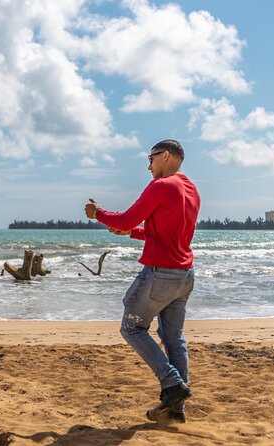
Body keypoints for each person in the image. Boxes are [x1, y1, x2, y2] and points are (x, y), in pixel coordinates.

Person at [84, 139, 200, 424]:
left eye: (151, 159)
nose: (148, 166)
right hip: (184, 275)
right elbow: (167, 234)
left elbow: (123, 219)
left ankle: (172, 384)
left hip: (160, 273)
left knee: (131, 327)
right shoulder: (192, 190)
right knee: (174, 338)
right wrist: (133, 233)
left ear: (166, 156)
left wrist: (97, 213)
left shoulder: (162, 185)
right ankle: (176, 407)